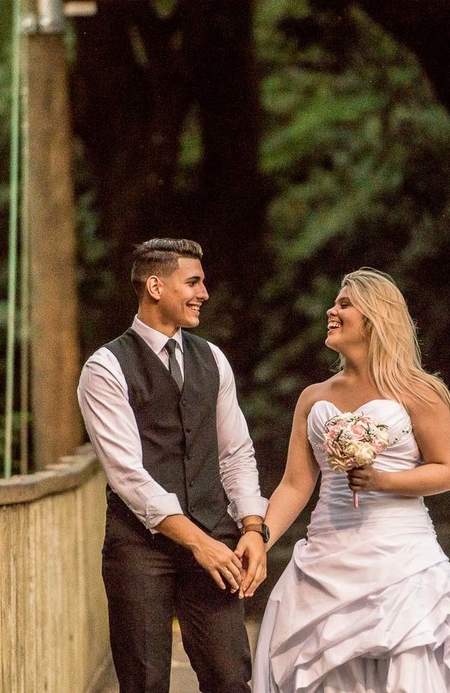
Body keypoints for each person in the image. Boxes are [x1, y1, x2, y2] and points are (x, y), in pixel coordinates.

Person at [251, 268, 450, 693]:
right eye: (334, 303)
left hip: (402, 557)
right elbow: (296, 485)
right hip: (326, 554)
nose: (331, 311)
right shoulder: (313, 397)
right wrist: (259, 540)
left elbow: (446, 471)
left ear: (375, 318)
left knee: (412, 661)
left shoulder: (420, 392)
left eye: (344, 304)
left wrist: (382, 482)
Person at [78, 238, 270, 693]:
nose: (204, 293)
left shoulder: (213, 359)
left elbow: (235, 452)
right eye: (193, 282)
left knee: (229, 677)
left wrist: (252, 527)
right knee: (144, 682)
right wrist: (198, 542)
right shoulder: (105, 368)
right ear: (155, 286)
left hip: (214, 537)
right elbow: (127, 475)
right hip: (139, 548)